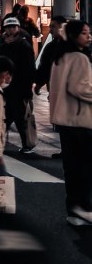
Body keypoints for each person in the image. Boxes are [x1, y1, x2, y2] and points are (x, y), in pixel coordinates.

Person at [49, 19, 92, 226]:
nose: (89, 36)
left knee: (72, 168)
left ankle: (74, 210)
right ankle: (84, 208)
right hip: (81, 120)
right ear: (75, 36)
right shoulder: (80, 58)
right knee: (85, 167)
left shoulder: (60, 57)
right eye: (84, 33)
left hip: (65, 121)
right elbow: (80, 88)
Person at [0, 15, 37, 152]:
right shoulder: (3, 44)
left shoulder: (23, 45)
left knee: (19, 117)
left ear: (18, 28)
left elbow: (29, 68)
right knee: (7, 116)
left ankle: (26, 144)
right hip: (6, 86)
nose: (11, 30)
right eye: (8, 27)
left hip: (19, 87)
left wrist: (28, 89)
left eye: (13, 27)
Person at [35, 15, 69, 94]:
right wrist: (39, 83)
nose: (50, 31)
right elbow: (45, 67)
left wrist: (39, 83)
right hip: (55, 89)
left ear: (62, 27)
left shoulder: (72, 46)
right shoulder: (50, 46)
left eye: (53, 27)